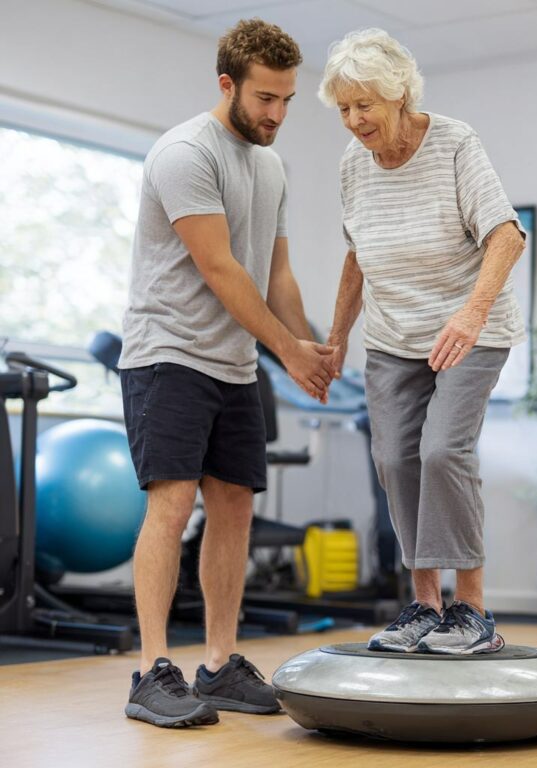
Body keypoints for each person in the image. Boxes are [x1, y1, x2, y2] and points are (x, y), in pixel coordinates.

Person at [118, 19, 334, 727]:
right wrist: (285, 350)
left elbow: (276, 275)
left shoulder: (272, 166)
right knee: (173, 505)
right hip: (169, 354)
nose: (276, 113)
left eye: (287, 100)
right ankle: (152, 671)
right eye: (265, 98)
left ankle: (216, 664)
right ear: (227, 84)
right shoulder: (184, 153)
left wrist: (309, 346)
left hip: (234, 363)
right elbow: (220, 269)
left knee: (235, 508)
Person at [319, 29, 526, 655]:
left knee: (442, 453)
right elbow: (358, 257)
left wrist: (469, 314)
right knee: (395, 460)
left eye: (366, 106)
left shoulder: (455, 144)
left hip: (471, 331)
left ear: (400, 95)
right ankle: (424, 606)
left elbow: (508, 236)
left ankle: (474, 613)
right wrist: (335, 341)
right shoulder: (354, 165)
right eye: (345, 108)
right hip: (392, 337)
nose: (355, 121)